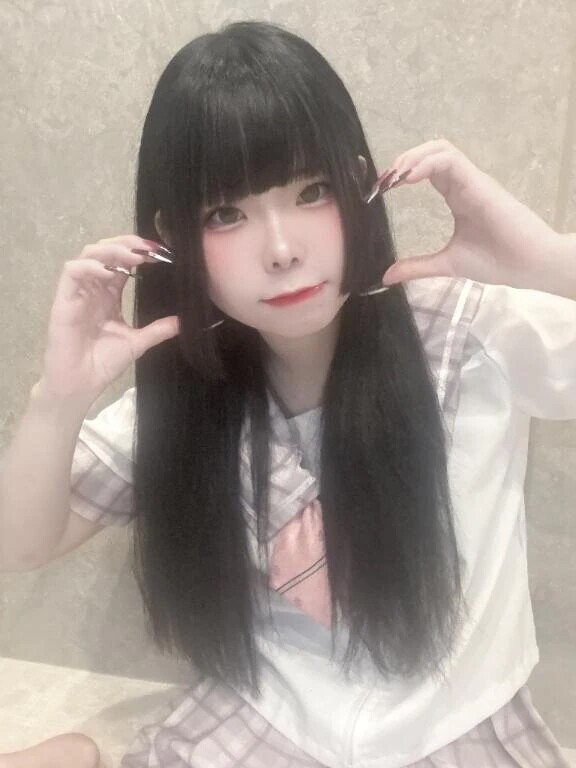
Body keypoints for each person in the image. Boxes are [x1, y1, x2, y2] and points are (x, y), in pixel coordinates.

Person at [0, 19, 575, 768]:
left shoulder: (470, 336)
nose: (281, 249)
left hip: (459, 728)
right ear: (172, 236)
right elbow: (21, 545)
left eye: (312, 191)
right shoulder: (187, 398)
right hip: (272, 721)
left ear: (360, 185)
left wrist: (552, 262)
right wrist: (58, 395)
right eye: (226, 213)